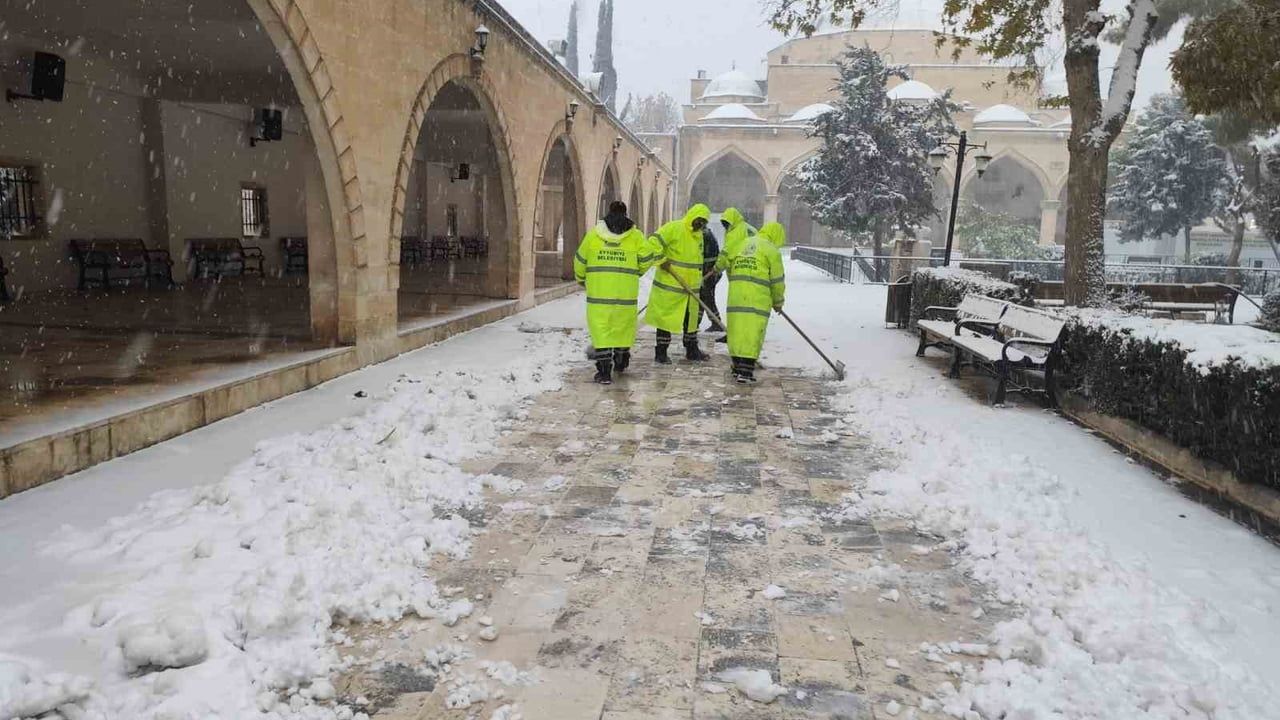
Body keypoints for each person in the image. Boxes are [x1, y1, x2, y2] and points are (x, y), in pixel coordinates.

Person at [574, 201, 662, 384]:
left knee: (602, 330)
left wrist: (581, 278)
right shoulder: (635, 236)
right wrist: (636, 271)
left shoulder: (593, 236)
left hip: (599, 295)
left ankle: (605, 371)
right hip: (625, 295)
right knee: (622, 327)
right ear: (625, 213)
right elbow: (648, 257)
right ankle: (621, 359)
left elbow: (580, 260)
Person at [717, 221, 786, 383]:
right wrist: (778, 301)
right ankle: (746, 371)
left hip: (736, 296)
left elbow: (728, 264)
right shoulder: (771, 250)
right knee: (752, 333)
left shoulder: (742, 244)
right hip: (757, 299)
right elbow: (777, 281)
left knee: (736, 331)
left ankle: (736, 366)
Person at [645, 204, 712, 364]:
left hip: (691, 287)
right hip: (671, 286)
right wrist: (662, 260)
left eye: (703, 222)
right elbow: (653, 242)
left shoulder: (699, 236)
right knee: (665, 319)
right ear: (692, 216)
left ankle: (691, 349)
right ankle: (661, 352)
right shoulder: (674, 228)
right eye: (698, 220)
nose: (700, 224)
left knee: (691, 321)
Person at [700, 221, 723, 333]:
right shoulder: (706, 234)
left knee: (707, 298)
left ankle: (716, 323)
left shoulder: (705, 236)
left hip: (709, 273)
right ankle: (695, 323)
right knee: (702, 298)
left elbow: (704, 257)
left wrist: (706, 273)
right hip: (709, 272)